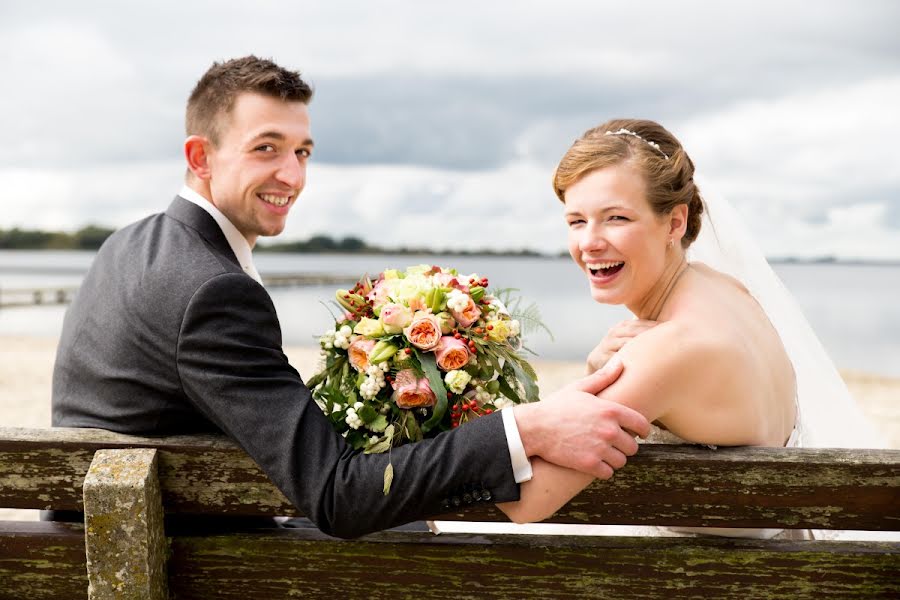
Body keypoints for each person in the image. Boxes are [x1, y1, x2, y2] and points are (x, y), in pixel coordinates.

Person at [50, 56, 650, 539]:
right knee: (409, 531)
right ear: (200, 157)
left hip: (100, 534)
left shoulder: (132, 244)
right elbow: (338, 496)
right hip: (188, 561)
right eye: (266, 148)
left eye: (302, 151)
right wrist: (526, 430)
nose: (293, 175)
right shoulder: (215, 291)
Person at [497, 119, 881, 539]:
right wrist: (598, 372)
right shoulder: (729, 291)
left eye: (616, 218)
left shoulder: (665, 351)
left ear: (675, 223)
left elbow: (528, 501)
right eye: (576, 221)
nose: (589, 241)